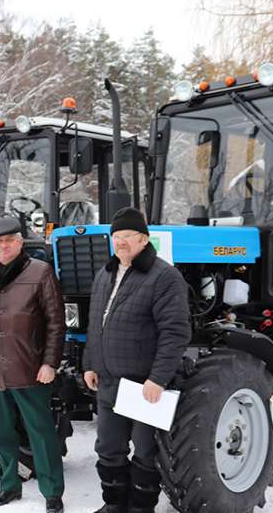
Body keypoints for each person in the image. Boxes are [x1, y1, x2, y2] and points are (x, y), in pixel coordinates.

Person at [82, 207, 191, 513]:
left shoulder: (164, 277)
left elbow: (175, 332)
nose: (121, 242)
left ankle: (141, 508)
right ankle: (114, 505)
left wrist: (157, 378)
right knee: (108, 448)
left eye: (128, 236)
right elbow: (95, 324)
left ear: (144, 239)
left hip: (144, 385)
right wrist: (90, 363)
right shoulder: (105, 274)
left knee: (145, 451)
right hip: (108, 380)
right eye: (116, 236)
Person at [0, 217, 67, 512]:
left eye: (9, 240)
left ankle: (52, 492)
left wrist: (50, 363)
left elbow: (55, 324)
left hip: (30, 368)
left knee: (41, 433)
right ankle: (9, 486)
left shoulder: (40, 272)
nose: (3, 246)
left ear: (20, 242)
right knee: (2, 433)